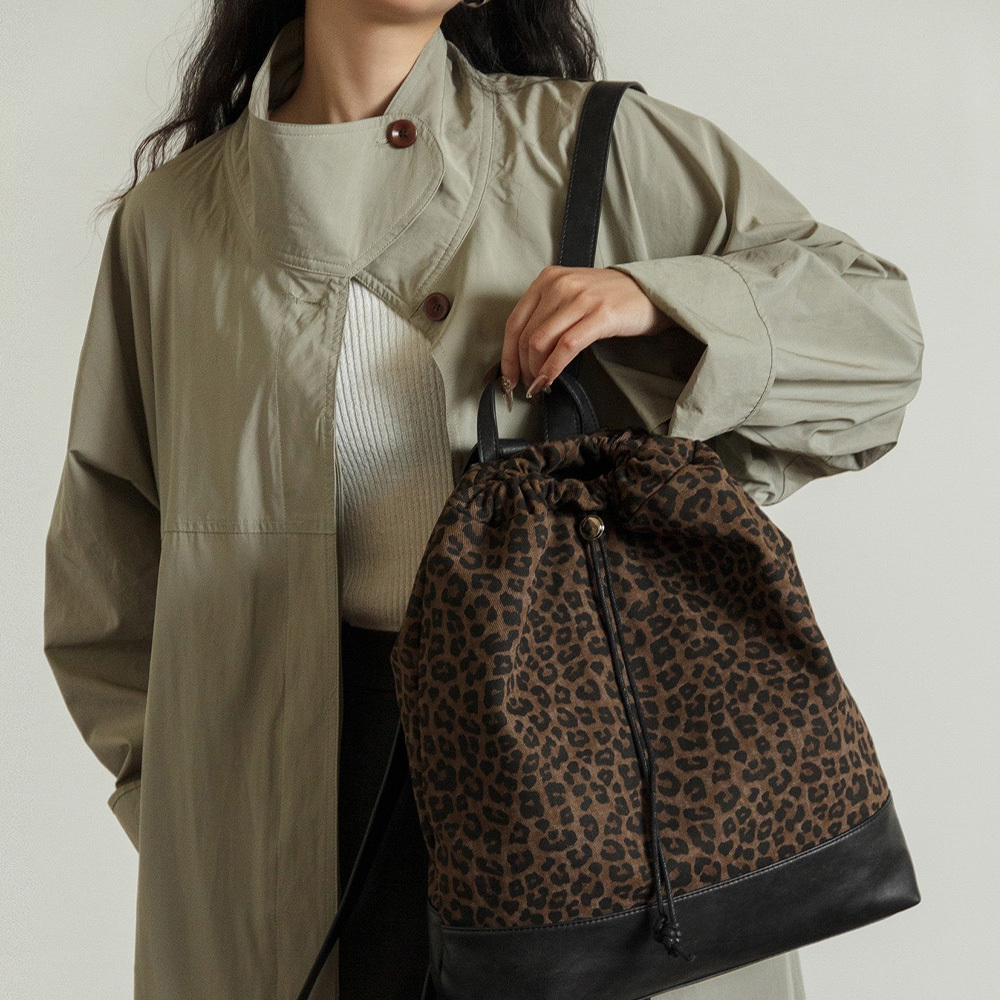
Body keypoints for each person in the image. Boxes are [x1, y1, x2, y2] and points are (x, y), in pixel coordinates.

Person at [42, 2, 924, 999]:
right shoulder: (172, 224)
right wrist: (195, 823)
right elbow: (108, 579)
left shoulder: (598, 147)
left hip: (595, 783)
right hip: (300, 803)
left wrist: (662, 301)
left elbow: (878, 340)